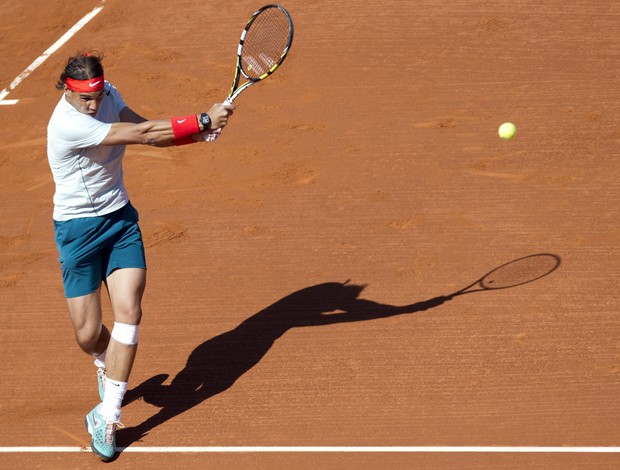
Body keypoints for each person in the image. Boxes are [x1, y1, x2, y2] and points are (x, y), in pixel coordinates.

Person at [46, 51, 234, 461]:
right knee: (87, 334)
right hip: (77, 231)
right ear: (68, 91)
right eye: (86, 99)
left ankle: (107, 415)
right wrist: (202, 120)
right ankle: (105, 361)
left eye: (97, 95)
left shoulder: (108, 94)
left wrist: (194, 135)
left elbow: (141, 125)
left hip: (119, 221)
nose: (94, 105)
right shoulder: (68, 124)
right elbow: (144, 134)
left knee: (129, 312)